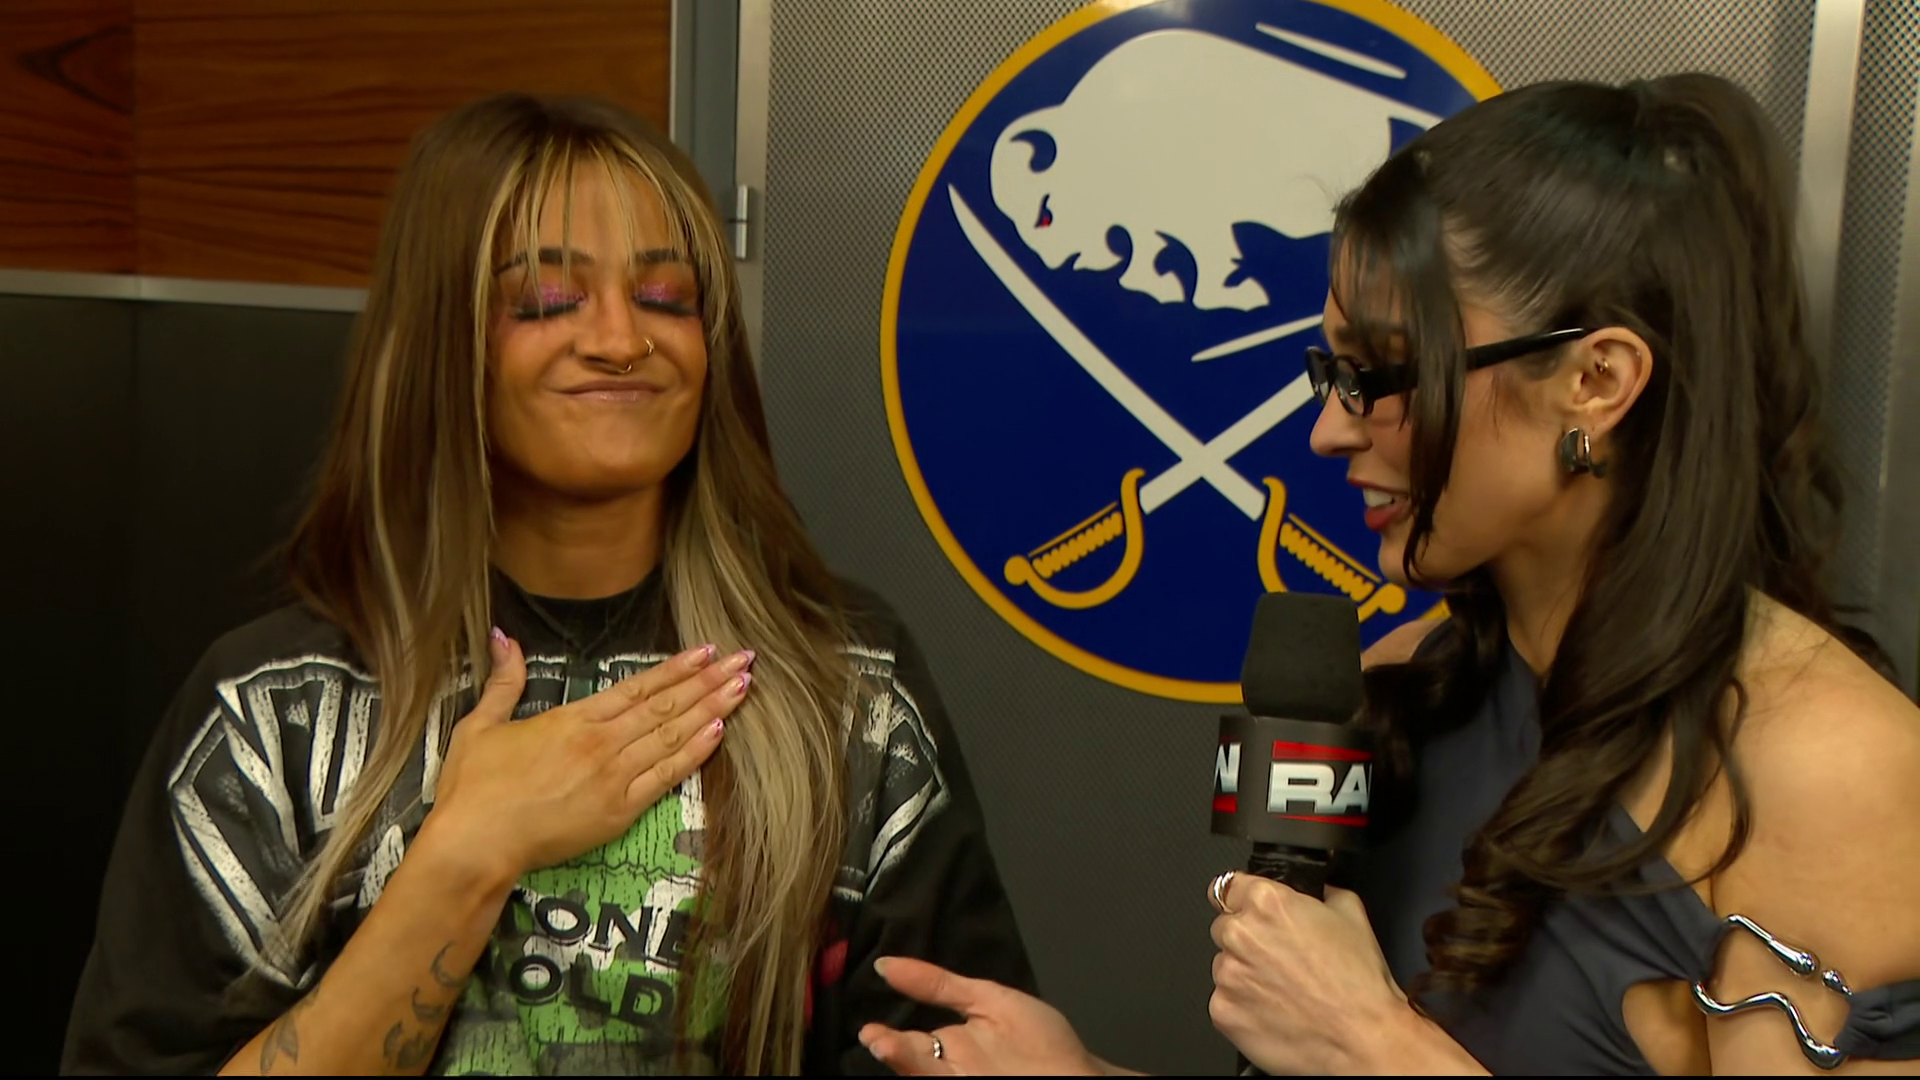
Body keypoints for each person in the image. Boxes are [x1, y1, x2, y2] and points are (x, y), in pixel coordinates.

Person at [856, 73, 1920, 1075]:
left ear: (1597, 379)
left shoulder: (1830, 770)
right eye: (1334, 370)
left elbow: (1360, 1045)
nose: (1329, 430)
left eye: (1382, 373)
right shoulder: (1410, 677)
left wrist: (1371, 1043)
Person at [62, 94, 1036, 1076]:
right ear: (445, 340)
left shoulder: (846, 682)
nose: (620, 339)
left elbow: (961, 1044)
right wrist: (465, 854)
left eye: (666, 297)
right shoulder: (275, 711)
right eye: (546, 300)